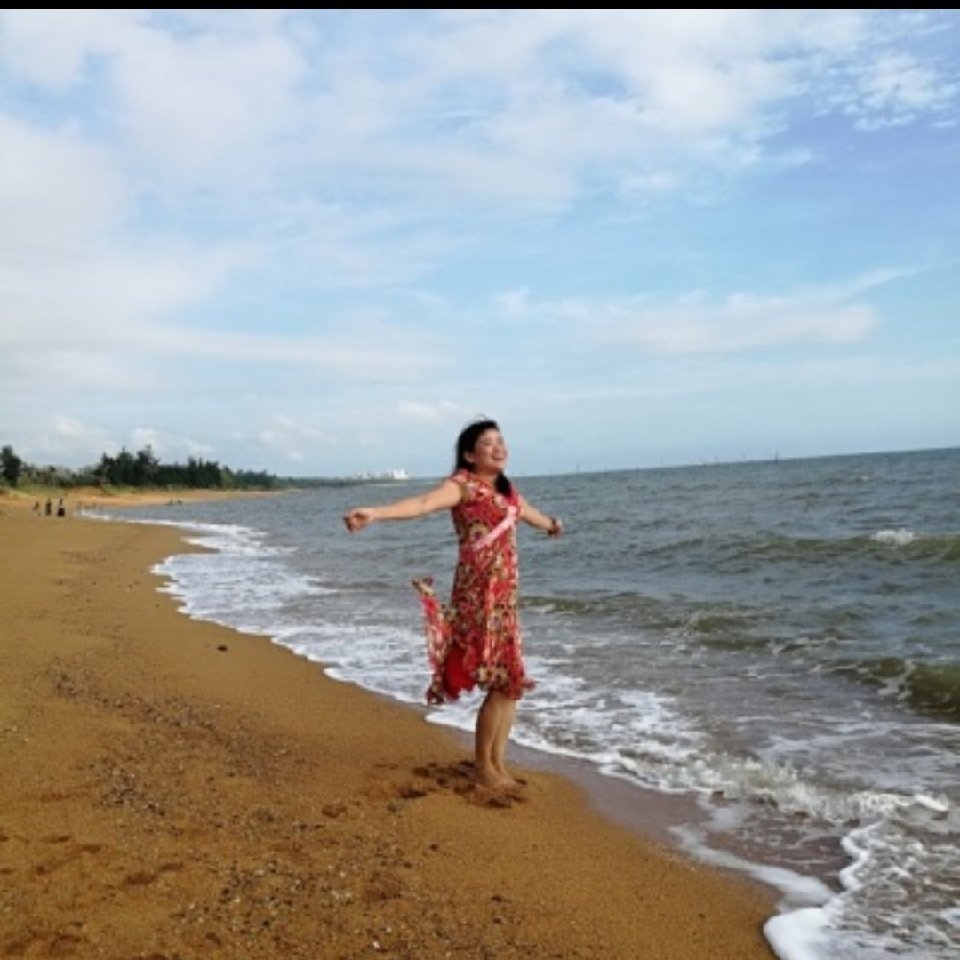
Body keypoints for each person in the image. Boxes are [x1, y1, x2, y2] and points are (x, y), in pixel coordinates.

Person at [343, 418, 563, 790]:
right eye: (488, 443)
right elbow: (423, 503)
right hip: (479, 597)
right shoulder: (462, 486)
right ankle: (484, 767)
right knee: (500, 681)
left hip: (505, 599)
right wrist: (376, 513)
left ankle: (497, 763)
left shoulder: (506, 490)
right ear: (469, 455)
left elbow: (528, 514)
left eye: (501, 441)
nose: (498, 448)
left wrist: (552, 525)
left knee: (510, 682)